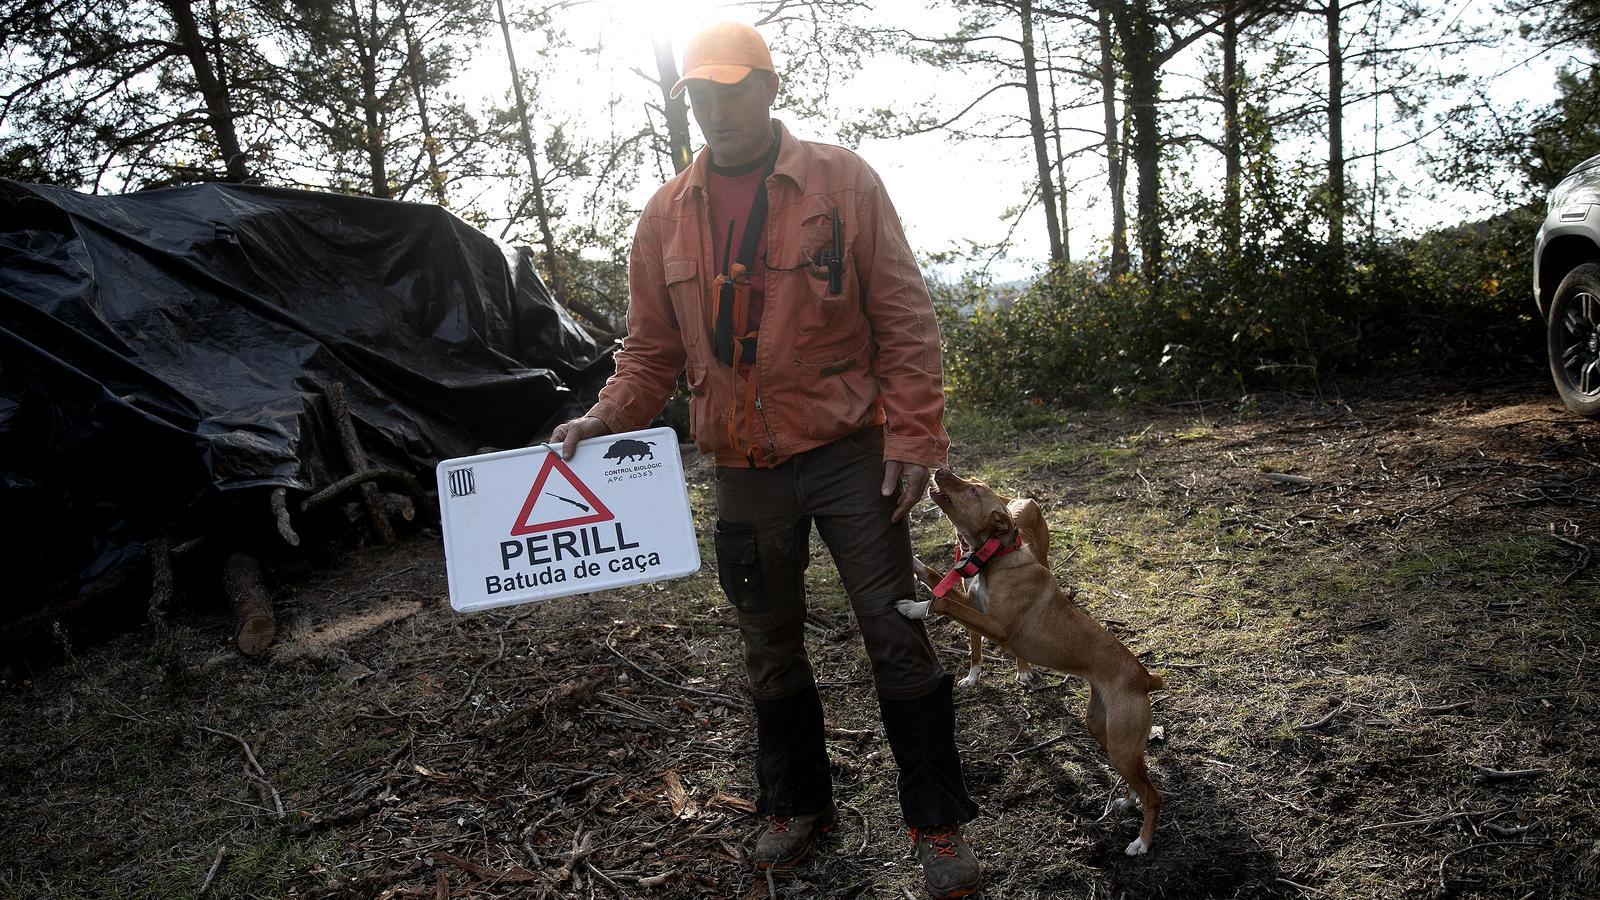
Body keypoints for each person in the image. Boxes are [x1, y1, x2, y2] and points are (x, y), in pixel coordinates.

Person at [549, 21, 980, 899]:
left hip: (848, 453)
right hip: (742, 466)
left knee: (895, 632)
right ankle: (796, 804)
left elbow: (902, 315)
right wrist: (602, 417)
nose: (717, 109)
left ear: (769, 88)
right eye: (702, 95)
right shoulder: (667, 213)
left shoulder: (840, 181)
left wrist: (914, 436)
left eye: (733, 90)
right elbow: (650, 353)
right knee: (767, 644)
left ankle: (936, 824)